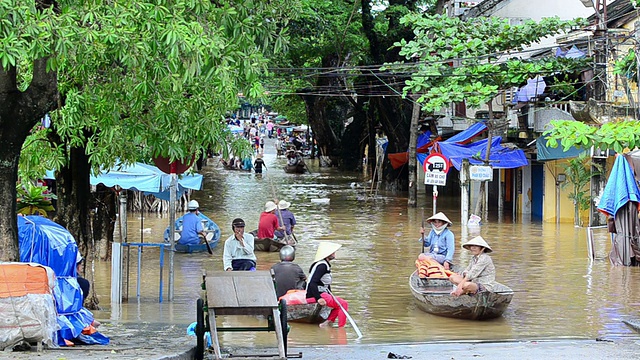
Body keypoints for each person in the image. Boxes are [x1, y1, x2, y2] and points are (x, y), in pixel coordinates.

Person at [306, 242, 349, 328]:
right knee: (343, 304)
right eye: (332, 252)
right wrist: (319, 298)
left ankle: (327, 323)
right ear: (327, 254)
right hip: (316, 295)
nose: (334, 254)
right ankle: (341, 328)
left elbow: (325, 285)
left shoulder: (323, 264)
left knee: (338, 304)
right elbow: (312, 283)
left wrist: (331, 296)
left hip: (321, 293)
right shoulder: (322, 266)